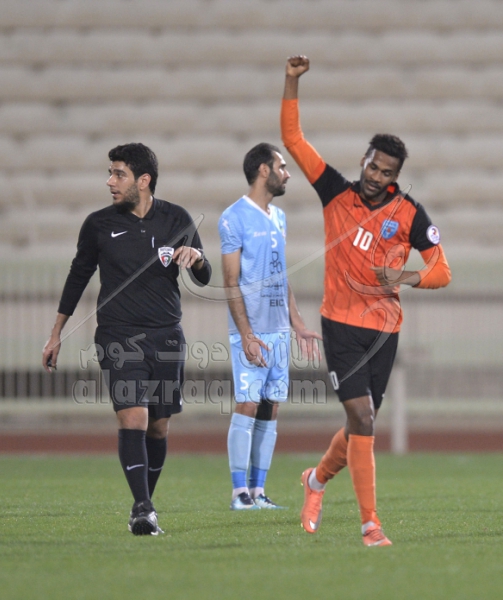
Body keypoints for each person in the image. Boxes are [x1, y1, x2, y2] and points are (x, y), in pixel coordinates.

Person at [281, 56, 452, 545]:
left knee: (360, 423)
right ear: (363, 160)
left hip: (384, 330)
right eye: (372, 166)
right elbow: (293, 139)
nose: (376, 175)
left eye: (386, 171)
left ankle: (316, 481)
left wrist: (405, 276)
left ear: (396, 175)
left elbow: (443, 270)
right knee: (364, 418)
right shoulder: (335, 192)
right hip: (340, 323)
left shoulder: (409, 213)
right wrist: (291, 81)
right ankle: (370, 524)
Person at [42, 143, 211, 536]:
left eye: (119, 174)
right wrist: (56, 332)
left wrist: (198, 259)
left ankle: (144, 507)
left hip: (167, 337)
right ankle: (143, 507)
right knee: (134, 415)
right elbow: (77, 277)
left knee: (159, 427)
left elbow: (203, 277)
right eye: (110, 173)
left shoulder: (177, 218)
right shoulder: (98, 225)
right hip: (118, 337)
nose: (110, 181)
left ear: (143, 180)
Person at [218, 142, 321, 510]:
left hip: (278, 331)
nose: (287, 174)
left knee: (271, 407)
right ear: (264, 170)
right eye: (282, 166)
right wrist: (246, 334)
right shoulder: (233, 217)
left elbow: (281, 275)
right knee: (247, 404)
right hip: (251, 331)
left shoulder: (279, 217)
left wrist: (298, 324)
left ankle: (258, 491)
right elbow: (230, 281)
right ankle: (238, 493)